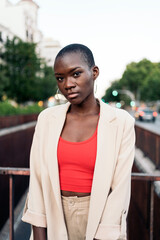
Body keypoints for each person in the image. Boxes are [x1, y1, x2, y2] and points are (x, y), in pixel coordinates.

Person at [22, 43, 135, 240]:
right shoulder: (47, 120)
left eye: (76, 74)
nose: (68, 84)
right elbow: (38, 183)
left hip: (99, 220)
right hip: (54, 215)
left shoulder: (121, 122)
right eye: (60, 78)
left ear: (94, 72)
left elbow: (119, 191)